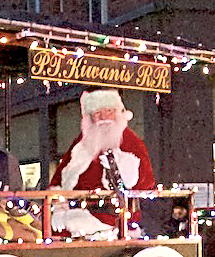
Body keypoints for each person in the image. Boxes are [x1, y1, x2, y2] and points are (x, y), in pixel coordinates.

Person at [54, 89, 156, 238]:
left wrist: (125, 173)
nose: (103, 117)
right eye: (97, 113)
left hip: (114, 217)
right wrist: (58, 205)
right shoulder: (81, 144)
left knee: (65, 227)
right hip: (78, 209)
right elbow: (58, 179)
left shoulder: (132, 143)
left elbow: (146, 184)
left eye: (109, 111)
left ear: (118, 112)